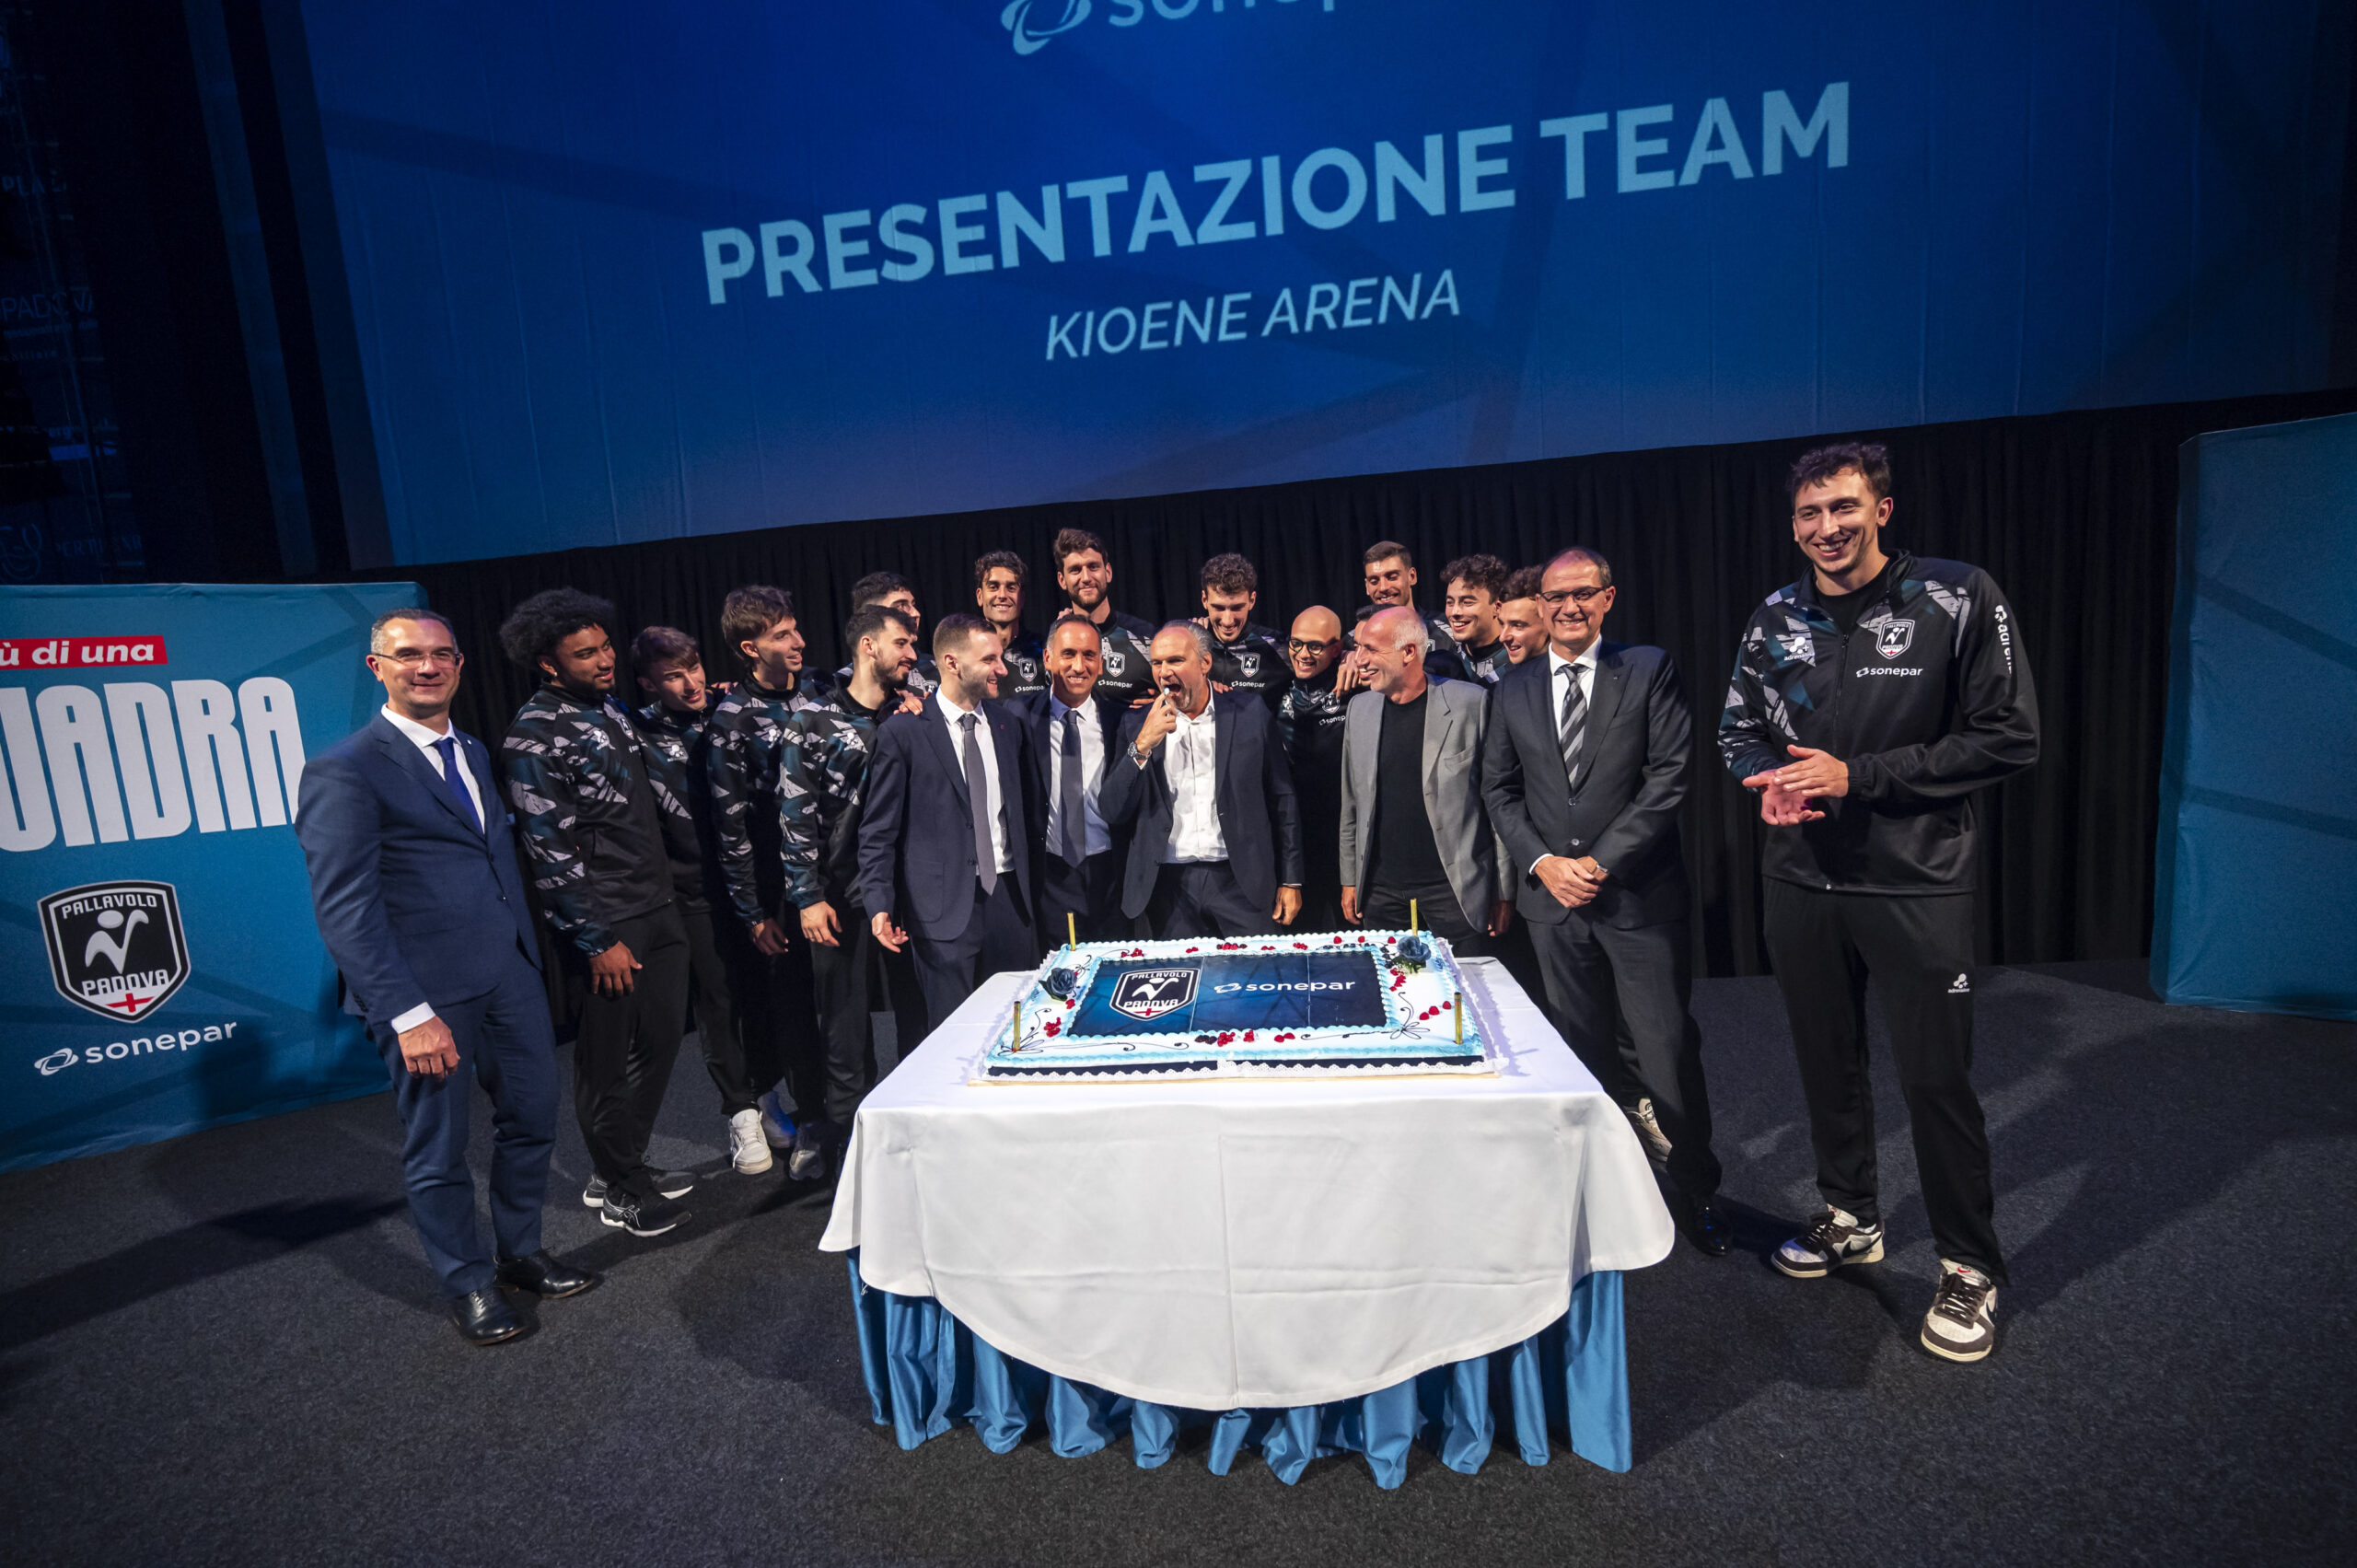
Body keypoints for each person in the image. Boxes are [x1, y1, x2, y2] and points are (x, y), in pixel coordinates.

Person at [1720, 441, 2038, 1365]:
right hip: (1799, 878)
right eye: (1810, 513)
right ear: (1793, 525)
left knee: (1936, 1080)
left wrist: (1857, 776)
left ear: (1882, 510)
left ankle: (1969, 1264)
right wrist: (1766, 783)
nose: (1827, 527)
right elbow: (1737, 731)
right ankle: (1852, 1214)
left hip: (1914, 881)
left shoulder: (1954, 596)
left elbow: (2009, 736)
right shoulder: (1775, 614)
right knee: (1827, 1063)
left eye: (1844, 507)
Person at [296, 609, 594, 1345]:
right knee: (439, 1147)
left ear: (459, 665)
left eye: (439, 654)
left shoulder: (473, 749)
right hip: (425, 995)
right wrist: (405, 1012)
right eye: (407, 655)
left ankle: (519, 1250)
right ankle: (468, 1282)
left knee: (533, 1117)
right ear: (377, 667)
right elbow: (346, 908)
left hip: (509, 974)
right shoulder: (345, 768)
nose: (426, 666)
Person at [1480, 549, 1727, 1257]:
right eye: (1556, 595)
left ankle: (1697, 1188)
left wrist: (1598, 862)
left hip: (1637, 900)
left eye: (1583, 593)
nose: (1569, 606)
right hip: (1552, 905)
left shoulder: (1648, 668)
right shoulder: (1512, 686)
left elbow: (1669, 777)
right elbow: (1499, 788)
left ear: (1607, 598)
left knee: (1666, 1051)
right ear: (1539, 602)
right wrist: (1544, 862)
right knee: (1581, 1057)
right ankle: (1601, 1191)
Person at [498, 589, 694, 1238]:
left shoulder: (609, 707)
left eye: (606, 646)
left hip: (657, 903)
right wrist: (594, 937)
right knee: (605, 1060)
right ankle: (622, 1187)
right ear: (548, 663)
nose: (605, 659)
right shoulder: (533, 734)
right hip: (607, 922)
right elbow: (547, 849)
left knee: (663, 1038)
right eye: (586, 654)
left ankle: (620, 1165)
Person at [779, 604, 924, 1174]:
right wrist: (808, 896)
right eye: (902, 643)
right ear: (869, 646)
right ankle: (850, 1149)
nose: (912, 654)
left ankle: (915, 1132)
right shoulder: (812, 722)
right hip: (838, 896)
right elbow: (794, 817)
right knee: (844, 1030)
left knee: (916, 1016)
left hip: (903, 893)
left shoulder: (912, 712)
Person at [856, 614, 1042, 1037]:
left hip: (1010, 904)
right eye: (989, 660)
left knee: (1016, 1032)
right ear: (952, 663)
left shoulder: (1008, 725)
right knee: (953, 1037)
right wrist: (879, 904)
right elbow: (878, 832)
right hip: (940, 913)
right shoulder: (903, 731)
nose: (1002, 669)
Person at [628, 625, 768, 1179]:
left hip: (755, 884)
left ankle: (769, 1097)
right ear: (648, 683)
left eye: (694, 668)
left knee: (765, 996)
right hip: (693, 892)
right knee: (718, 1002)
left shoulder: (730, 712)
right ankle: (741, 1112)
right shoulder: (635, 732)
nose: (691, 684)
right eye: (673, 676)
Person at [705, 585, 825, 1175]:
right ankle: (807, 1121)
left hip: (831, 875)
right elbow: (730, 827)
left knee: (835, 1005)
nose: (798, 641)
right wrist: (754, 913)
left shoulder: (820, 693)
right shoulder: (731, 719)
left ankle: (838, 1111)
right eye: (781, 635)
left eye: (796, 628)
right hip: (776, 888)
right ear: (750, 648)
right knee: (790, 1006)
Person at [1103, 622, 1304, 938]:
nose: (1164, 672)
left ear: (1205, 663)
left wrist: (1291, 880)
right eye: (1157, 663)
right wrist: (1141, 746)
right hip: (1169, 892)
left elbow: (1283, 799)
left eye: (1175, 660)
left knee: (1256, 971)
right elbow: (1112, 810)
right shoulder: (1136, 723)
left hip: (1242, 883)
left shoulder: (1249, 713)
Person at [1339, 608, 1509, 954]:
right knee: (1393, 986)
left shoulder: (1471, 703)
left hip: (1454, 891)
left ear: (1409, 652)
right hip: (1380, 892)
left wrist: (1504, 891)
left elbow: (1497, 803)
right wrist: (1350, 879)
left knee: (1465, 986)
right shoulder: (1360, 709)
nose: (1360, 660)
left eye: (1371, 649)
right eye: (1359, 648)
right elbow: (1351, 804)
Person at [1021, 611, 1129, 944]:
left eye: (1089, 655)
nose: (1079, 666)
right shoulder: (1017, 716)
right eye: (1068, 654)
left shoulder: (1123, 720)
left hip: (1112, 875)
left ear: (1101, 663)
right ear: (1048, 658)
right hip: (1050, 877)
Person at [1276, 605, 1358, 934]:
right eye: (1296, 643)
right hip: (1294, 836)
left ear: (1337, 648)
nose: (1303, 654)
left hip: (1344, 835)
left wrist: (1356, 657)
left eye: (1315, 646)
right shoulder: (1276, 680)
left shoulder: (1357, 683)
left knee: (1352, 935)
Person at [1051, 528, 1158, 713]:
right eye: (1075, 570)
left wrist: (1164, 700)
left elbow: (1176, 687)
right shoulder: (1055, 639)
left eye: (1093, 567)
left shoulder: (1145, 636)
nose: (1086, 578)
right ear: (1062, 580)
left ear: (1107, 572)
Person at [1356, 540, 1469, 680]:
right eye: (1374, 581)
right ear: (1367, 586)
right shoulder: (1353, 641)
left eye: (1392, 577)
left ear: (1412, 577)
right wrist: (1348, 656)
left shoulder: (1448, 630)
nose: (1383, 587)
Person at [1197, 552, 1289, 709]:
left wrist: (1339, 663)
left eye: (1237, 608)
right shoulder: (1188, 643)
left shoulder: (1278, 646)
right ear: (1204, 600)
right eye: (1219, 608)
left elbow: (1322, 657)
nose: (1228, 621)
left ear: (1252, 600)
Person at [838, 571, 938, 696]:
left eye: (913, 605)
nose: (916, 614)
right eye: (901, 606)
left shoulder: (940, 670)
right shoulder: (842, 683)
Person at [976, 551, 1050, 699]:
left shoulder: (1044, 650)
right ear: (980, 596)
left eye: (1011, 588)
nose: (1002, 595)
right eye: (993, 587)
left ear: (1022, 598)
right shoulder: (966, 654)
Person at [1443, 553, 1515, 685]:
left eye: (1467, 602)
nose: (1455, 612)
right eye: (1450, 602)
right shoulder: (1444, 666)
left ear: (1497, 607)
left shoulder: (1519, 662)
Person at [1497, 567, 1550, 665]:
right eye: (1502, 624)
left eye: (1517, 625)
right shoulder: (1502, 674)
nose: (1502, 637)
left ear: (1548, 622)